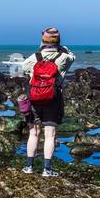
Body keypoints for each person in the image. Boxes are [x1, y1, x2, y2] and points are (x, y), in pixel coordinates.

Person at [19, 27, 74, 176]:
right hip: (53, 99)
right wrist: (61, 47)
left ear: (43, 41)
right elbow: (72, 56)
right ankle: (47, 169)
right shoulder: (63, 58)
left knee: (33, 132)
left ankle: (29, 167)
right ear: (58, 41)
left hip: (34, 98)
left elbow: (24, 67)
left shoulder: (34, 57)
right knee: (50, 134)